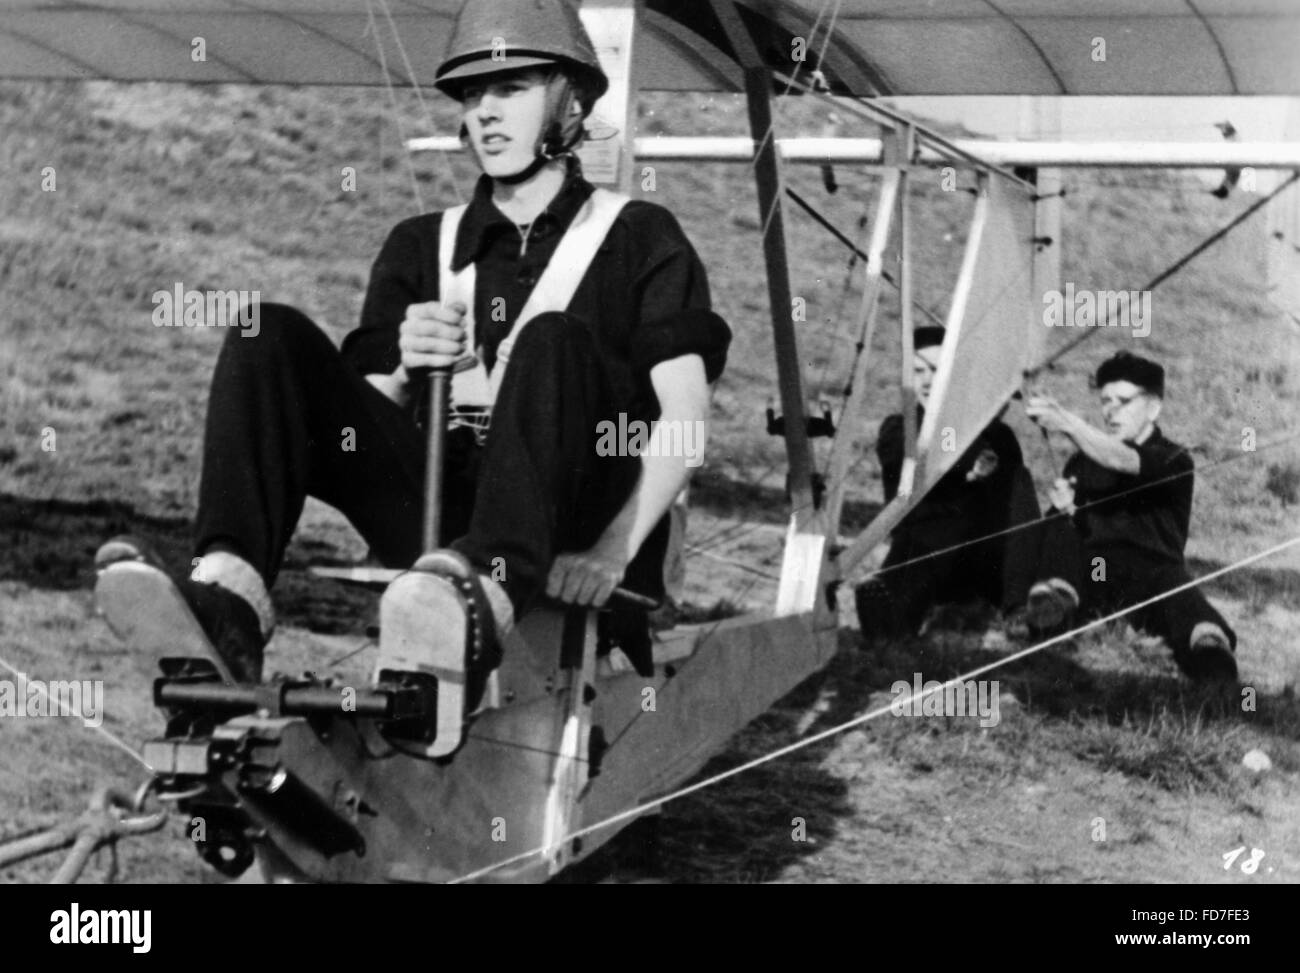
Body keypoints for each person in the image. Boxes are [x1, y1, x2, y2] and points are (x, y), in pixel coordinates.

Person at [94, 0, 731, 726]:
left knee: (553, 337)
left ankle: (479, 604)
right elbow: (355, 426)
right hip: (440, 510)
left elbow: (686, 417)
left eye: (510, 88)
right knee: (262, 332)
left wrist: (612, 552)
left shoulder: (640, 235)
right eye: (471, 93)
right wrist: (401, 367)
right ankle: (230, 601)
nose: (485, 112)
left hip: (575, 517)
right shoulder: (418, 244)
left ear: (571, 100)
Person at [1023, 351, 1237, 681]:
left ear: (1153, 407)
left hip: (1153, 574)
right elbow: (1079, 528)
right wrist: (1070, 510)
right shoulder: (1084, 460)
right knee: (1060, 527)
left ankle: (1209, 650)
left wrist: (1066, 422)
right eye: (1105, 400)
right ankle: (1052, 606)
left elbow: (1124, 461)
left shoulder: (1174, 458)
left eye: (1122, 401)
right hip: (1097, 572)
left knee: (1180, 594)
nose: (1110, 411)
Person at [855, 326, 1041, 642]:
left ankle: (1017, 607)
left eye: (938, 371)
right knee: (907, 570)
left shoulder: (998, 436)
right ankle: (889, 622)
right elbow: (920, 447)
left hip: (982, 561)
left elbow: (1008, 491)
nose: (927, 380)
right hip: (926, 554)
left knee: (1017, 480)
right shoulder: (897, 429)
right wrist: (968, 462)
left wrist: (979, 428)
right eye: (918, 371)